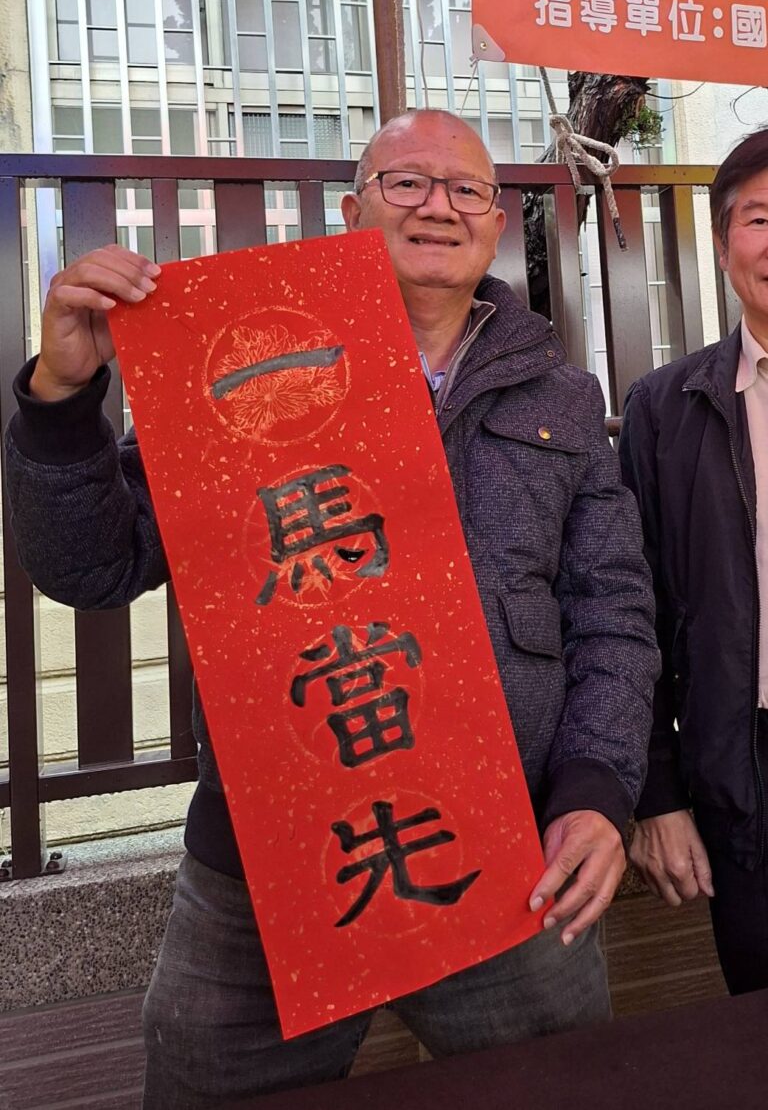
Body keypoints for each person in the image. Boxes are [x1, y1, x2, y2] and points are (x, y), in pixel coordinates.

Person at [6, 110, 658, 1107]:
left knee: (555, 1086)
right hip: (267, 865)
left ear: (495, 224)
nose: (439, 205)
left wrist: (596, 786)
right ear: (353, 212)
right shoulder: (245, 364)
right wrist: (61, 396)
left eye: (467, 188)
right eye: (406, 182)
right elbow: (93, 568)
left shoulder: (560, 395)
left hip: (510, 843)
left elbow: (612, 608)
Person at [619, 126, 768, 996]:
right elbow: (628, 613)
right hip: (741, 762)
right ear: (721, 245)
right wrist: (656, 792)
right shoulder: (665, 410)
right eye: (759, 219)